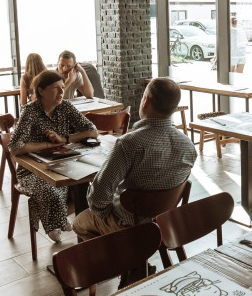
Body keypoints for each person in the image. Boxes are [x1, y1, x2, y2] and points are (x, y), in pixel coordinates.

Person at [73, 77, 197, 246]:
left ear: (145, 101)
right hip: (164, 223)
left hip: (129, 225)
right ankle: (135, 262)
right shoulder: (188, 145)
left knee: (79, 222)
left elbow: (98, 199)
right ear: (174, 108)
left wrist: (109, 214)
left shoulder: (129, 143)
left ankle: (126, 260)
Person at [9, 70, 99, 242]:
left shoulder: (64, 106)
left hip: (62, 164)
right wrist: (50, 145)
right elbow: (15, 147)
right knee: (50, 189)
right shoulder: (30, 111)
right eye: (55, 88)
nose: (61, 92)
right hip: (31, 170)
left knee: (86, 184)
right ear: (41, 91)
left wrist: (64, 139)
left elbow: (92, 131)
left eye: (63, 88)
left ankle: (66, 223)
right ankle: (57, 222)